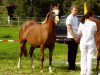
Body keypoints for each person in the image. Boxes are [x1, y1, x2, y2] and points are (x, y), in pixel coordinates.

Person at [66, 5, 79, 70]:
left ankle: (73, 65)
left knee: (75, 52)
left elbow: (77, 28)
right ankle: (70, 67)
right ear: (71, 10)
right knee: (71, 53)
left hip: (76, 37)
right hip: (71, 37)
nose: (76, 11)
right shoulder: (69, 17)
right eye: (75, 10)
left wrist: (78, 37)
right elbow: (69, 28)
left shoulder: (76, 18)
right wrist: (75, 37)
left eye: (77, 10)